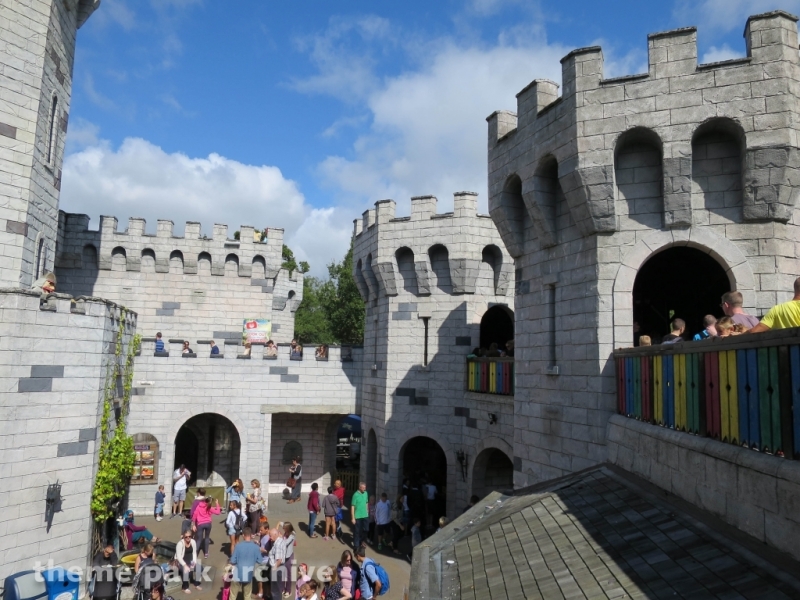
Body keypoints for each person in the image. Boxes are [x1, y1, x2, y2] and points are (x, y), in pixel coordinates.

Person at [229, 527, 265, 600]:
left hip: (237, 573)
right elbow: (260, 561)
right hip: (248, 574)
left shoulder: (238, 546)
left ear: (243, 535)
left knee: (233, 596)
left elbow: (233, 561)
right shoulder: (256, 547)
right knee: (247, 596)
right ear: (251, 535)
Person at [266, 528, 286, 600]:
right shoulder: (279, 540)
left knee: (275, 591)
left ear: (275, 534)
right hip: (278, 568)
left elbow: (279, 560)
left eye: (270, 536)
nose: (270, 537)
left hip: (276, 568)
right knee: (277, 589)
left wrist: (273, 570)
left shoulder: (278, 544)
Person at [351, 482, 369, 550]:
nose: (364, 488)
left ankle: (361, 541)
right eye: (363, 487)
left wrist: (367, 511)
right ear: (359, 487)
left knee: (366, 529)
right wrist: (353, 518)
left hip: (365, 515)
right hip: (358, 516)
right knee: (357, 531)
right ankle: (356, 545)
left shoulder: (366, 493)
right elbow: (352, 506)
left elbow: (366, 502)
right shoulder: (355, 495)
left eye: (365, 487)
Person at [282, 522, 297, 597]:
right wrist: (278, 525)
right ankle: (282, 588)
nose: (283, 529)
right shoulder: (286, 532)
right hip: (283, 556)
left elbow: (285, 543)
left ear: (288, 528)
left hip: (288, 556)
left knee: (288, 574)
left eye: (284, 528)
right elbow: (281, 523)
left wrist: (279, 537)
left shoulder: (292, 535)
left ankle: (288, 590)